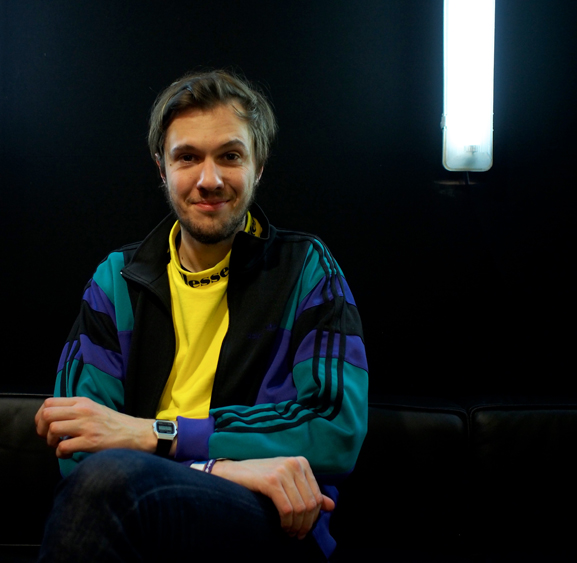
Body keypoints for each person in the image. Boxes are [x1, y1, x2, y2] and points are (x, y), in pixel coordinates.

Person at [35, 69, 368, 562]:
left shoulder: (306, 269)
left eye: (230, 156)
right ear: (161, 168)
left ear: (259, 166)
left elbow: (334, 428)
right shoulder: (116, 279)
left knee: (109, 482)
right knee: (104, 483)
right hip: (142, 502)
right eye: (187, 157)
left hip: (268, 517)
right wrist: (217, 467)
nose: (209, 180)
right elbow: (77, 440)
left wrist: (153, 434)